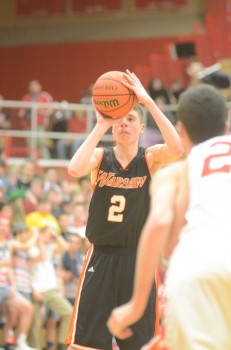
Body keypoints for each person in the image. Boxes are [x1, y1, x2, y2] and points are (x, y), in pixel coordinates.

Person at [65, 69, 183, 350]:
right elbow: (74, 169)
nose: (124, 124)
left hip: (137, 259)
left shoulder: (150, 157)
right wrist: (100, 125)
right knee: (87, 344)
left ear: (141, 129)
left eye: (131, 119)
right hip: (101, 257)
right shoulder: (100, 156)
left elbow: (177, 148)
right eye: (120, 120)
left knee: (140, 344)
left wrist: (148, 102)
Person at [107, 84, 230, 350]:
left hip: (199, 266)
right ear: (226, 125)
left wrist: (136, 305)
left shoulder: (177, 172)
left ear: (182, 129)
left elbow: (161, 222)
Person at [18, 79, 53, 158]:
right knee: (30, 145)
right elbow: (20, 112)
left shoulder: (45, 97)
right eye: (31, 87)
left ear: (40, 87)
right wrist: (24, 111)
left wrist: (37, 109)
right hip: (28, 125)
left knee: (41, 143)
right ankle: (32, 161)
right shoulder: (26, 97)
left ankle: (46, 162)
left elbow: (49, 111)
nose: (33, 88)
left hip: (40, 125)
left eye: (35, 86)